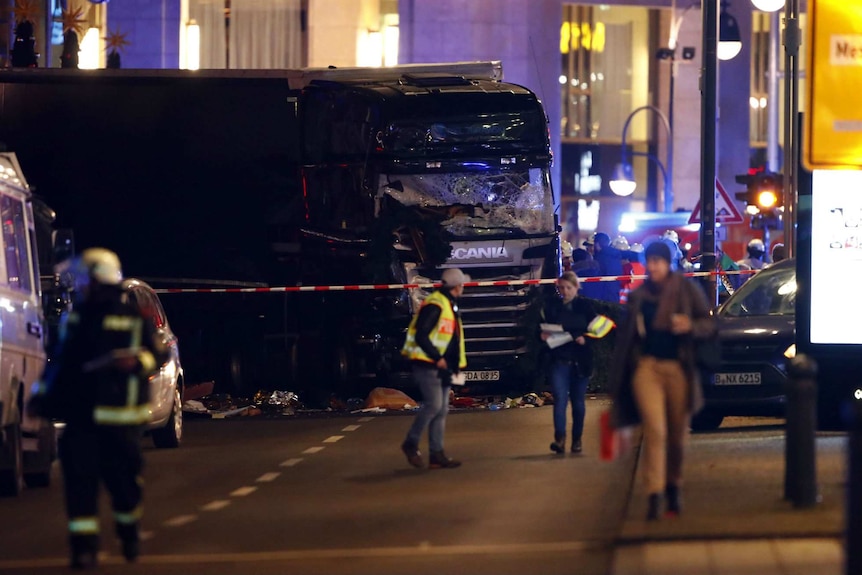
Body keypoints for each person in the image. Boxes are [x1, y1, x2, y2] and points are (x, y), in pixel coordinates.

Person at [27, 248, 168, 569]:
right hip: (83, 420)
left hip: (122, 420)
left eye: (85, 280)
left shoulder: (135, 317)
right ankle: (83, 550)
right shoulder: (77, 318)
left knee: (125, 486)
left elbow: (158, 355)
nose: (81, 286)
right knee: (79, 487)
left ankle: (128, 531)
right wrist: (42, 398)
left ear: (98, 280)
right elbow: (61, 365)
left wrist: (134, 362)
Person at [608, 242, 716, 521]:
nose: (653, 266)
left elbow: (709, 324)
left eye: (658, 261)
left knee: (678, 434)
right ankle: (654, 493)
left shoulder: (685, 289)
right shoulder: (639, 296)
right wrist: (619, 378)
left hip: (679, 369)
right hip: (648, 369)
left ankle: (674, 486)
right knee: (656, 430)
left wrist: (690, 326)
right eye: (650, 261)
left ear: (669, 263)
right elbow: (626, 339)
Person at [400, 268, 467, 469]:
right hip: (428, 364)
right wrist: (437, 358)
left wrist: (455, 368)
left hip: (443, 366)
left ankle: (436, 454)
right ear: (458, 287)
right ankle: (410, 443)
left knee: (442, 409)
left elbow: (451, 340)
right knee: (434, 406)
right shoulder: (436, 304)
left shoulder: (448, 304)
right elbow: (422, 335)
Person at [540, 272, 597, 454]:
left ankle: (577, 439)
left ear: (576, 287)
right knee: (560, 399)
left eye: (568, 288)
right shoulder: (552, 307)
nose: (564, 292)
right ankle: (560, 439)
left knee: (578, 402)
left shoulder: (585, 307)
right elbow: (539, 327)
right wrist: (542, 335)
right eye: (561, 288)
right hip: (560, 359)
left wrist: (585, 339)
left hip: (580, 361)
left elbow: (598, 331)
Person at [592, 232, 624, 303]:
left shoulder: (599, 258)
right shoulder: (616, 257)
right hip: (615, 295)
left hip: (602, 297)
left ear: (597, 244)